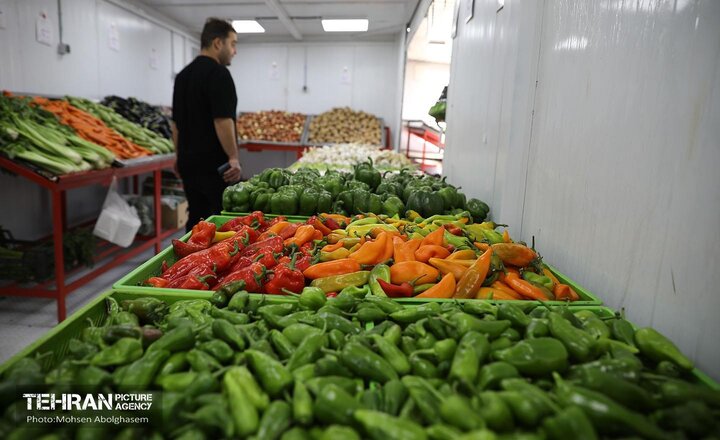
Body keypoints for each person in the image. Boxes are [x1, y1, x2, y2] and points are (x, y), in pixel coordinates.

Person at [172, 18, 242, 231]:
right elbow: (222, 120)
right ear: (217, 43)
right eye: (233, 44)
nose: (234, 51)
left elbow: (176, 124)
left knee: (195, 219)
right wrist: (233, 158)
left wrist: (178, 155)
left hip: (188, 163)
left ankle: (188, 260)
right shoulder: (219, 74)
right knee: (218, 221)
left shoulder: (183, 76)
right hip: (215, 166)